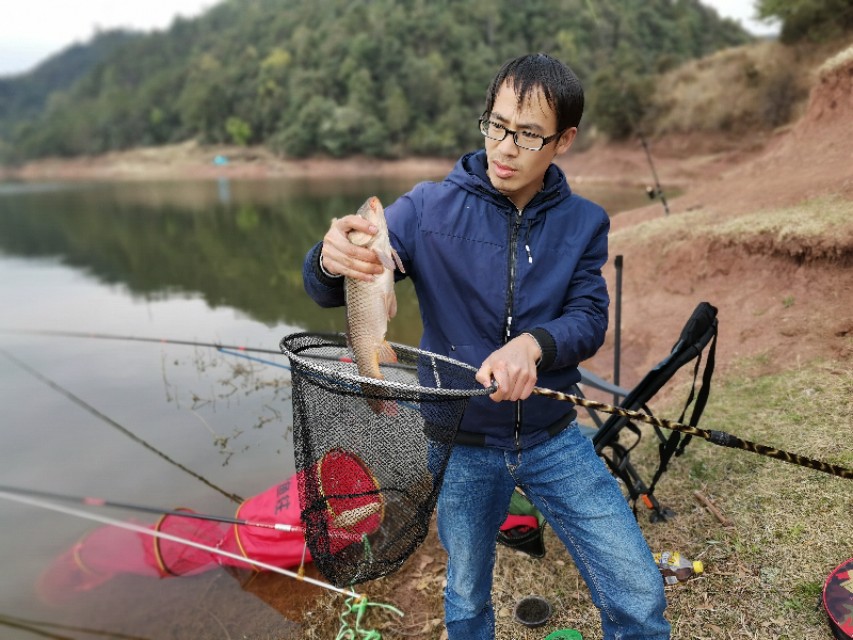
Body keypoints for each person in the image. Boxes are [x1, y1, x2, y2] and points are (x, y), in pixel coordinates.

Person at [302, 53, 670, 640]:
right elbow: (340, 282)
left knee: (638, 591)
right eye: (497, 125)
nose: (505, 147)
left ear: (564, 140)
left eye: (528, 135)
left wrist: (535, 345)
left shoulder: (584, 223)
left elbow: (589, 319)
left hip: (553, 435)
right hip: (459, 444)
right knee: (467, 592)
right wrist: (330, 259)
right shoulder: (425, 209)